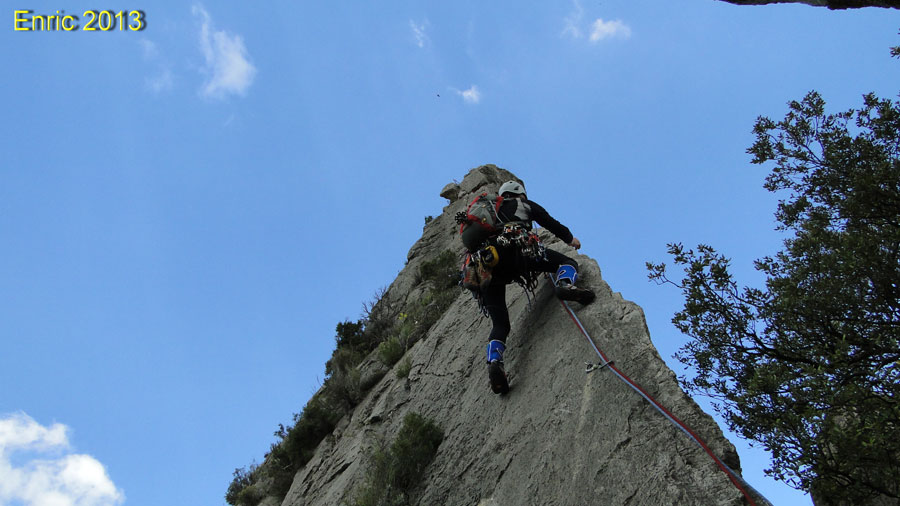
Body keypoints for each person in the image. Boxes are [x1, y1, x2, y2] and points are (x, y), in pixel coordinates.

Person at [478, 180, 595, 394]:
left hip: (486, 266)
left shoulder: (487, 213)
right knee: (568, 263)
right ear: (519, 194)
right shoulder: (525, 204)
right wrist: (571, 239)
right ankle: (564, 285)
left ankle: (494, 362)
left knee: (500, 324)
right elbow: (549, 222)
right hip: (519, 252)